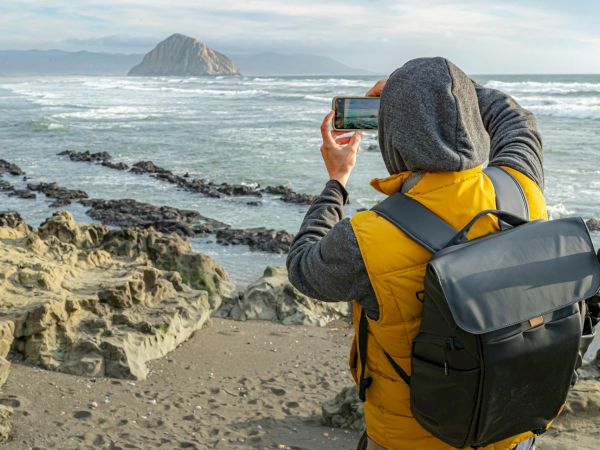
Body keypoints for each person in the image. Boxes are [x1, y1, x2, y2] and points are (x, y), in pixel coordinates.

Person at [286, 57, 546, 450]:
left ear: (393, 137)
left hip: (409, 440)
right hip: (510, 431)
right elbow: (517, 119)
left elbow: (304, 268)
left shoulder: (366, 239)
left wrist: (336, 181)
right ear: (471, 118)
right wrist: (449, 88)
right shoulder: (521, 189)